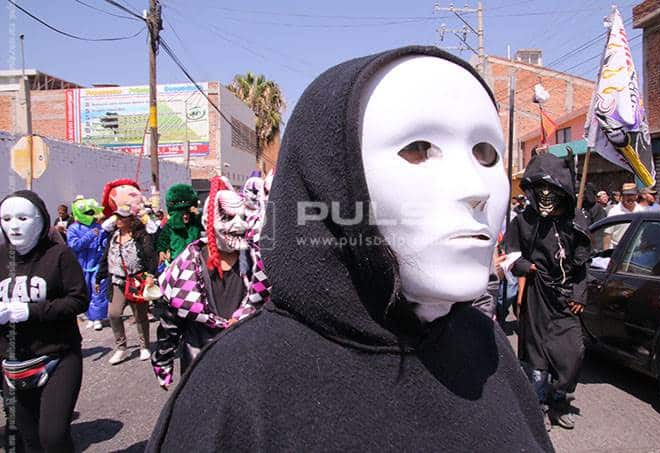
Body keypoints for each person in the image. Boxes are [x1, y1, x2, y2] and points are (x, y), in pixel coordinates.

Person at [148, 46, 553, 452]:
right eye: (418, 148)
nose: (477, 189)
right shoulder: (234, 389)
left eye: (486, 153)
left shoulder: (485, 344)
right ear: (330, 181)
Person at [151, 175, 270, 389]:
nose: (239, 225)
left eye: (243, 217)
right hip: (199, 361)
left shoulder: (257, 262)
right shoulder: (187, 265)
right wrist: (163, 361)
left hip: (246, 359)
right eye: (228, 217)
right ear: (208, 222)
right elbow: (170, 321)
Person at [506, 153, 591, 431]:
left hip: (565, 299)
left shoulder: (575, 219)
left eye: (551, 189)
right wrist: (525, 266)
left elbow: (582, 264)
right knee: (537, 356)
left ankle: (559, 400)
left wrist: (579, 293)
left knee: (573, 353)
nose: (545, 195)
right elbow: (511, 256)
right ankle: (539, 406)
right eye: (540, 189)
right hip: (536, 296)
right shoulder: (523, 221)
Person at [0, 190, 88, 452]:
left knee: (53, 436)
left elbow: (78, 300)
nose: (14, 226)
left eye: (23, 218)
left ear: (40, 221)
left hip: (57, 356)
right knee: (30, 440)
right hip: (13, 363)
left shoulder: (59, 255)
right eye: (6, 219)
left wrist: (31, 311)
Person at [95, 205, 156, 365]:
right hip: (117, 281)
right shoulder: (113, 236)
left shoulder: (140, 236)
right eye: (117, 217)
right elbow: (106, 257)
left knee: (140, 315)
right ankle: (121, 347)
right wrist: (98, 278)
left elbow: (150, 256)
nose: (119, 220)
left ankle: (144, 346)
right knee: (114, 314)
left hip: (136, 280)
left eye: (122, 217)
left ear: (130, 220)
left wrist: (151, 275)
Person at [67, 196, 108, 331]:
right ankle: (89, 315)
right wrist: (90, 236)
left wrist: (104, 240)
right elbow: (74, 245)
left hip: (97, 264)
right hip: (81, 265)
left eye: (92, 212)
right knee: (85, 291)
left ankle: (97, 318)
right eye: (88, 213)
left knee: (98, 289)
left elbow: (105, 244)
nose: (91, 215)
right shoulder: (73, 229)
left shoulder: (99, 227)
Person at [155, 184, 202, 262]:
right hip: (177, 263)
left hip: (195, 261)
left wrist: (199, 213)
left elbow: (208, 223)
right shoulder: (170, 225)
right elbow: (162, 240)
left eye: (187, 213)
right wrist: (161, 251)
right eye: (182, 214)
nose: (185, 216)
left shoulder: (196, 223)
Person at [606, 182, 643, 248]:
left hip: (637, 250)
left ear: (637, 195)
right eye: (627, 195)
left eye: (632, 195)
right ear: (622, 196)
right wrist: (606, 252)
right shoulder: (614, 212)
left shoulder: (642, 211)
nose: (630, 197)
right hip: (618, 250)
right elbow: (607, 234)